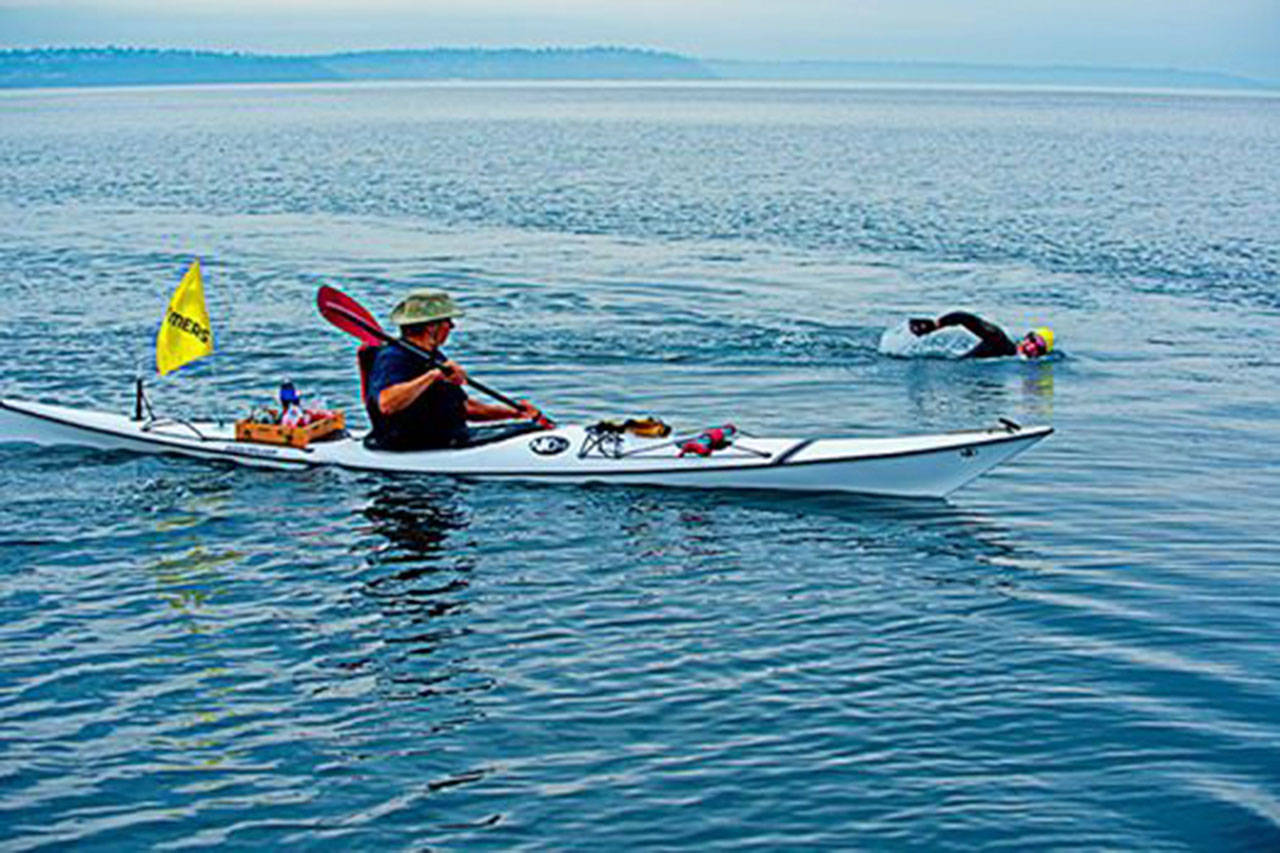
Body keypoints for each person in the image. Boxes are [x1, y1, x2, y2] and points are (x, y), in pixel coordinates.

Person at [364, 289, 541, 450]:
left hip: (448, 438)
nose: (452, 326)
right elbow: (387, 404)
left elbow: (464, 408)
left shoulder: (432, 356)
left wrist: (515, 413)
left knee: (530, 428)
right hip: (410, 443)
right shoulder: (393, 357)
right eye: (448, 321)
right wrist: (434, 375)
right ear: (431, 327)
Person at [909, 312, 1055, 359]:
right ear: (1026, 337)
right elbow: (965, 318)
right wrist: (936, 325)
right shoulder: (1000, 340)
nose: (1031, 347)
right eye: (1033, 340)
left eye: (1039, 348)